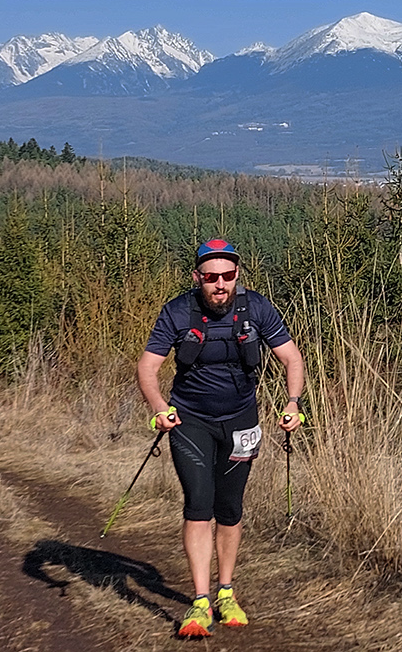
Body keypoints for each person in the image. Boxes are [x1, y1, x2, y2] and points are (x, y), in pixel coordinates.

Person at [137, 239, 305, 638]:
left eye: (227, 276)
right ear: (198, 278)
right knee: (199, 504)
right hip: (190, 421)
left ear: (236, 276)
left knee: (229, 509)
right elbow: (147, 368)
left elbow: (292, 358)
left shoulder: (257, 309)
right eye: (211, 277)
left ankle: (225, 592)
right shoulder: (178, 311)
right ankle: (199, 602)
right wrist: (160, 407)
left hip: (242, 421)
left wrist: (293, 402)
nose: (219, 284)